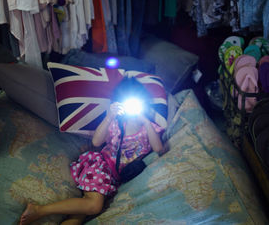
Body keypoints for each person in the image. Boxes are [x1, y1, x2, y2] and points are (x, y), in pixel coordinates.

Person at [20, 77, 164, 225]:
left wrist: (145, 121)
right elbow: (96, 142)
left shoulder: (148, 128)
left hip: (114, 179)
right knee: (94, 206)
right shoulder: (116, 123)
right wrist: (110, 116)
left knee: (80, 215)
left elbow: (158, 148)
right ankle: (39, 210)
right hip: (101, 168)